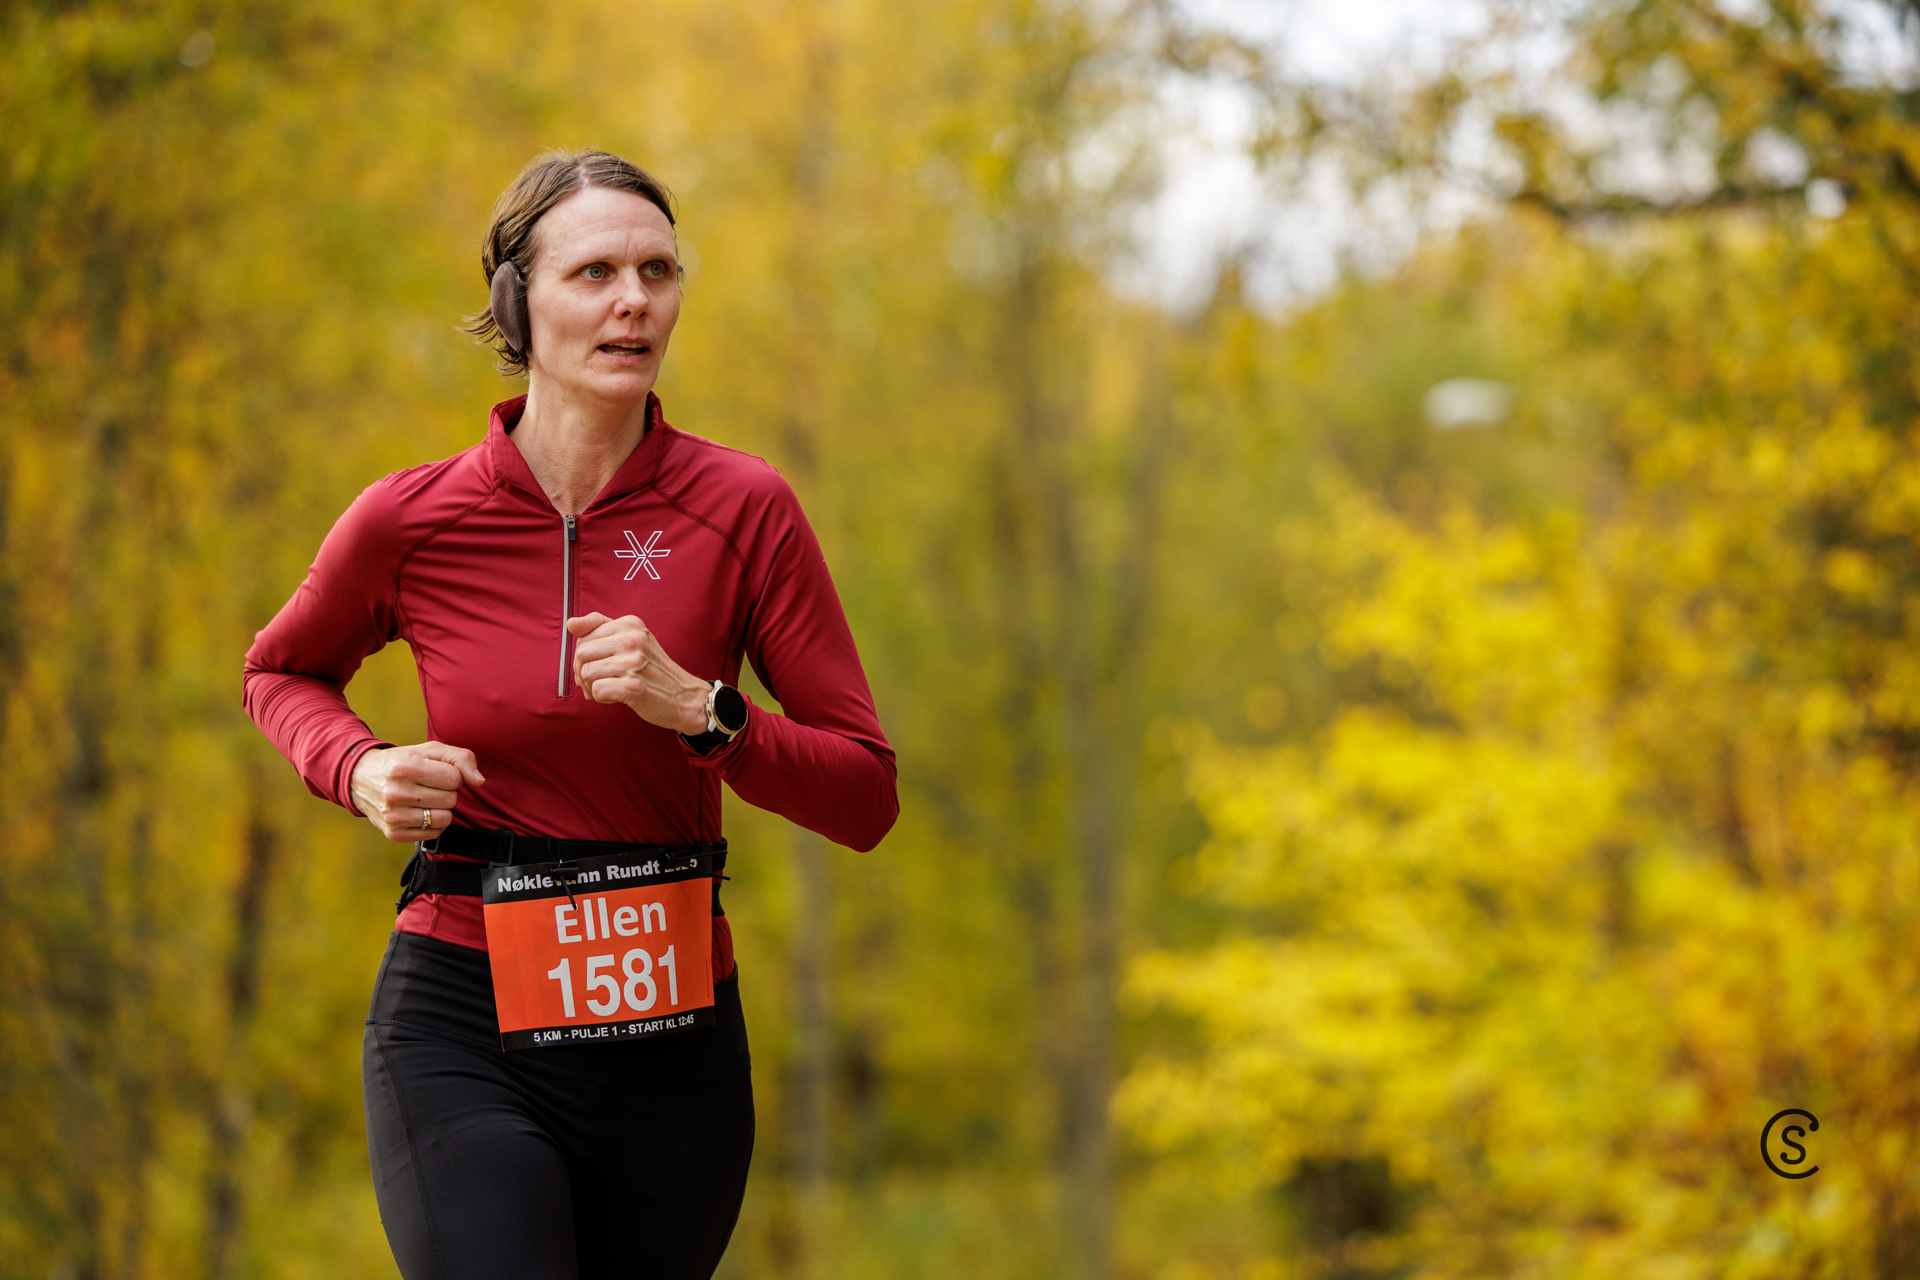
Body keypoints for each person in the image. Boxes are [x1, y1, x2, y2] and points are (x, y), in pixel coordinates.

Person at [243, 147, 897, 1280]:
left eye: (658, 271)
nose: (633, 300)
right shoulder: (413, 517)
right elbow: (279, 671)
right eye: (594, 272)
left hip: (673, 1036)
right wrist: (360, 767)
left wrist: (705, 711)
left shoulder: (744, 508)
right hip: (463, 1009)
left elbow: (865, 794)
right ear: (518, 303)